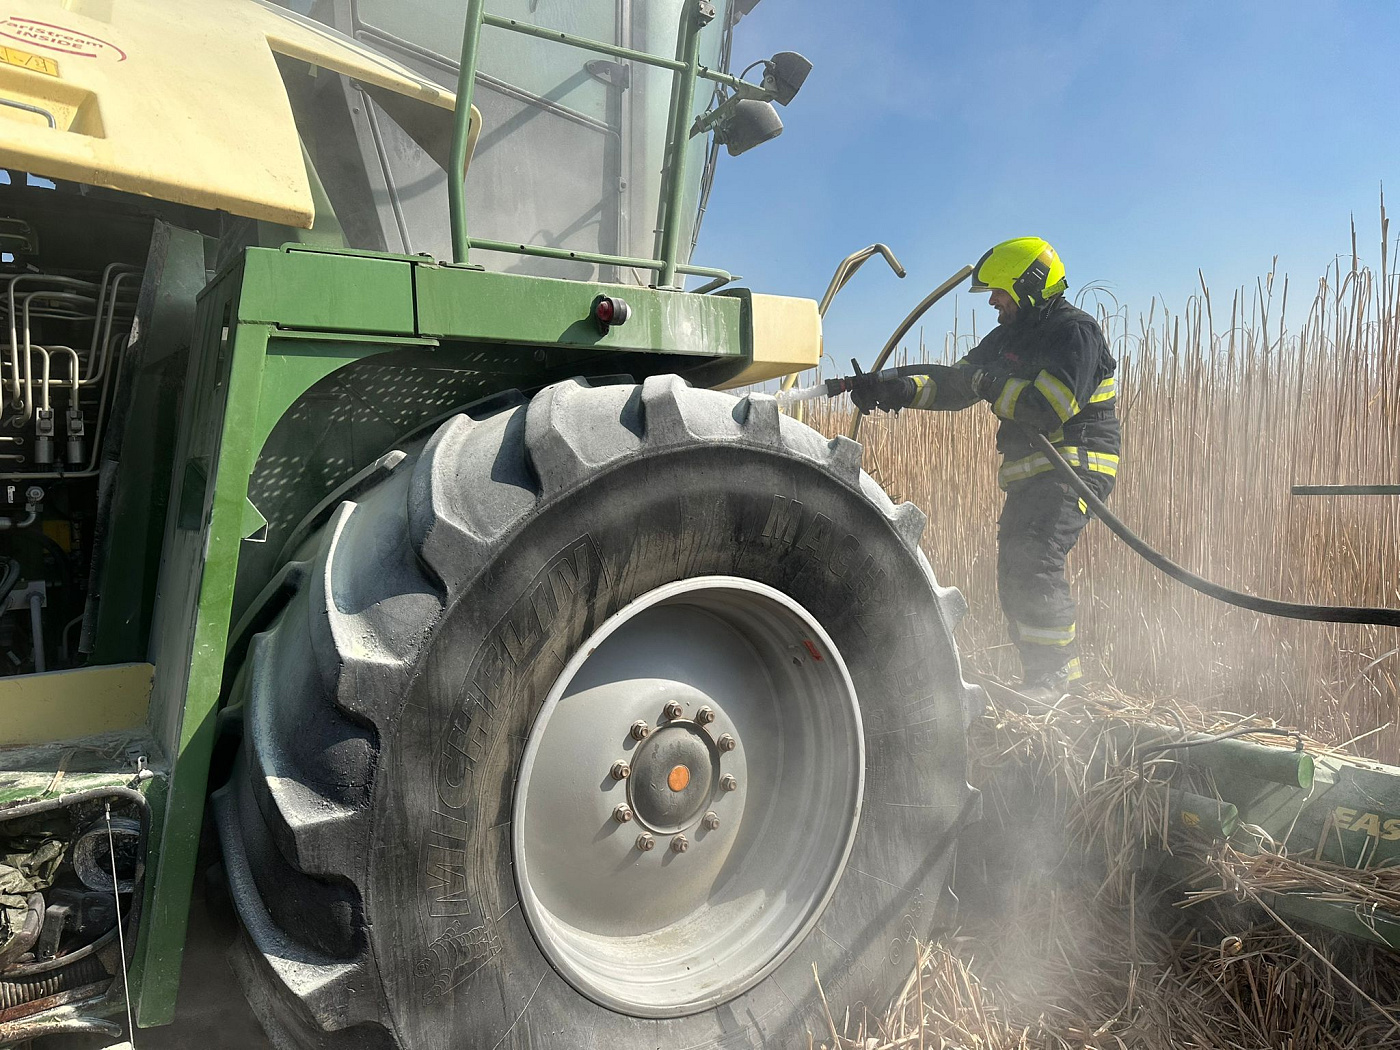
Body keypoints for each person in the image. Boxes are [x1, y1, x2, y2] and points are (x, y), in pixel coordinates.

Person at [852, 237, 1120, 699]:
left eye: (1000, 291)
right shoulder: (1008, 337)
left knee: (1035, 563)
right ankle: (1041, 680)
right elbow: (955, 384)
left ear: (1029, 285)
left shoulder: (1074, 333)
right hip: (1033, 473)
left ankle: (1057, 681)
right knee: (1015, 570)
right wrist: (898, 390)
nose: (993, 301)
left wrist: (989, 382)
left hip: (1072, 467)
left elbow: (1045, 408)